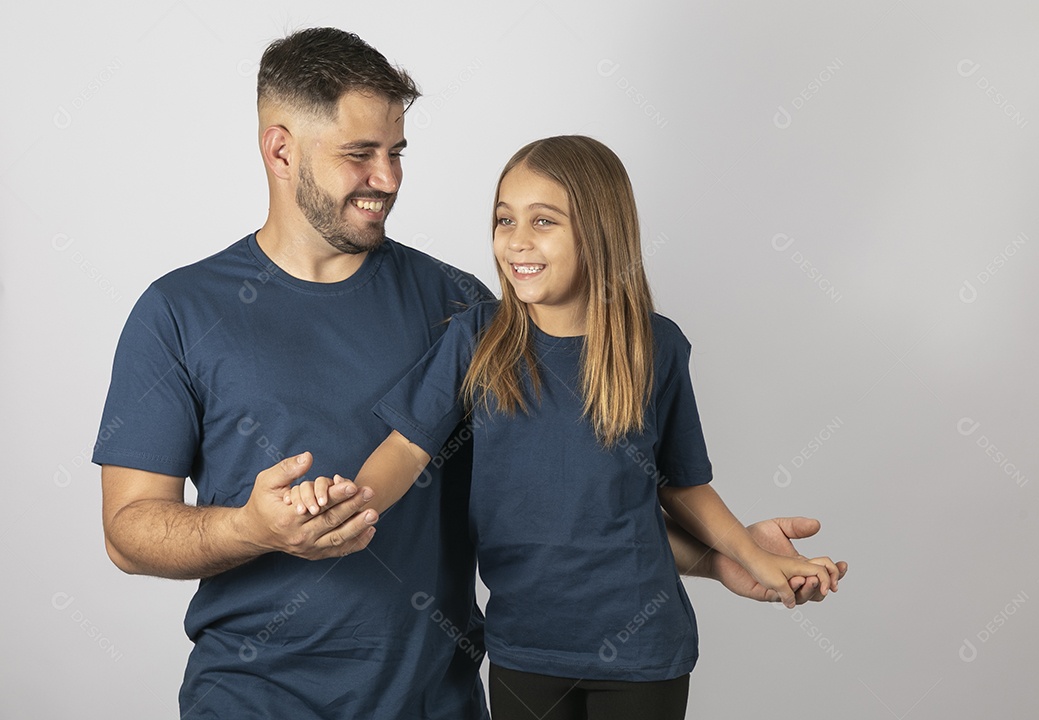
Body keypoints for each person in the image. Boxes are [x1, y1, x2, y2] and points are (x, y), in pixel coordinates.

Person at [93, 28, 845, 720]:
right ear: (282, 151)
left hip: (440, 701)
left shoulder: (468, 311)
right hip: (252, 700)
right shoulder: (179, 312)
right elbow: (129, 534)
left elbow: (560, 494)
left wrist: (723, 557)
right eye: (361, 153)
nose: (386, 179)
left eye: (398, 151)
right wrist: (249, 528)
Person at [286, 136, 841, 720]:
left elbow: (681, 487)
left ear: (599, 233)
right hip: (524, 650)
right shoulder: (476, 338)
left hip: (646, 653)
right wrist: (354, 502)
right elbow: (406, 450)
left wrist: (752, 558)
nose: (517, 241)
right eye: (504, 220)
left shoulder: (657, 346)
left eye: (543, 221)